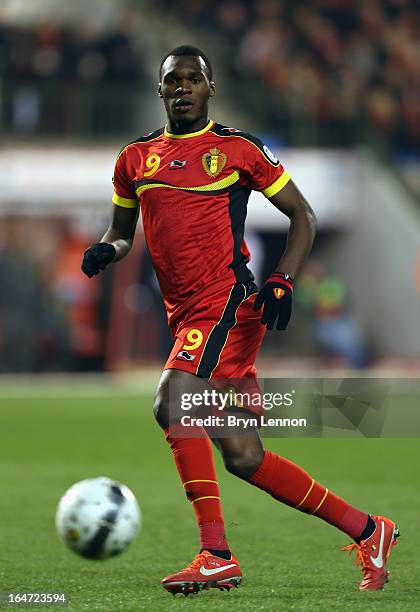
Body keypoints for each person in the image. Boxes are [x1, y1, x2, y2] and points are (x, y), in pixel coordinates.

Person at [81, 46, 398, 596]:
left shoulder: (238, 149)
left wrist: (284, 279)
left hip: (227, 302)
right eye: (172, 80)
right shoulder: (134, 159)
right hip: (184, 313)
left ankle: (216, 553)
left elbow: (304, 215)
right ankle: (370, 530)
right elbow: (122, 231)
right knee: (244, 456)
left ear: (211, 87)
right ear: (160, 91)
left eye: (193, 79)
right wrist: (107, 250)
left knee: (172, 400)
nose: (182, 87)